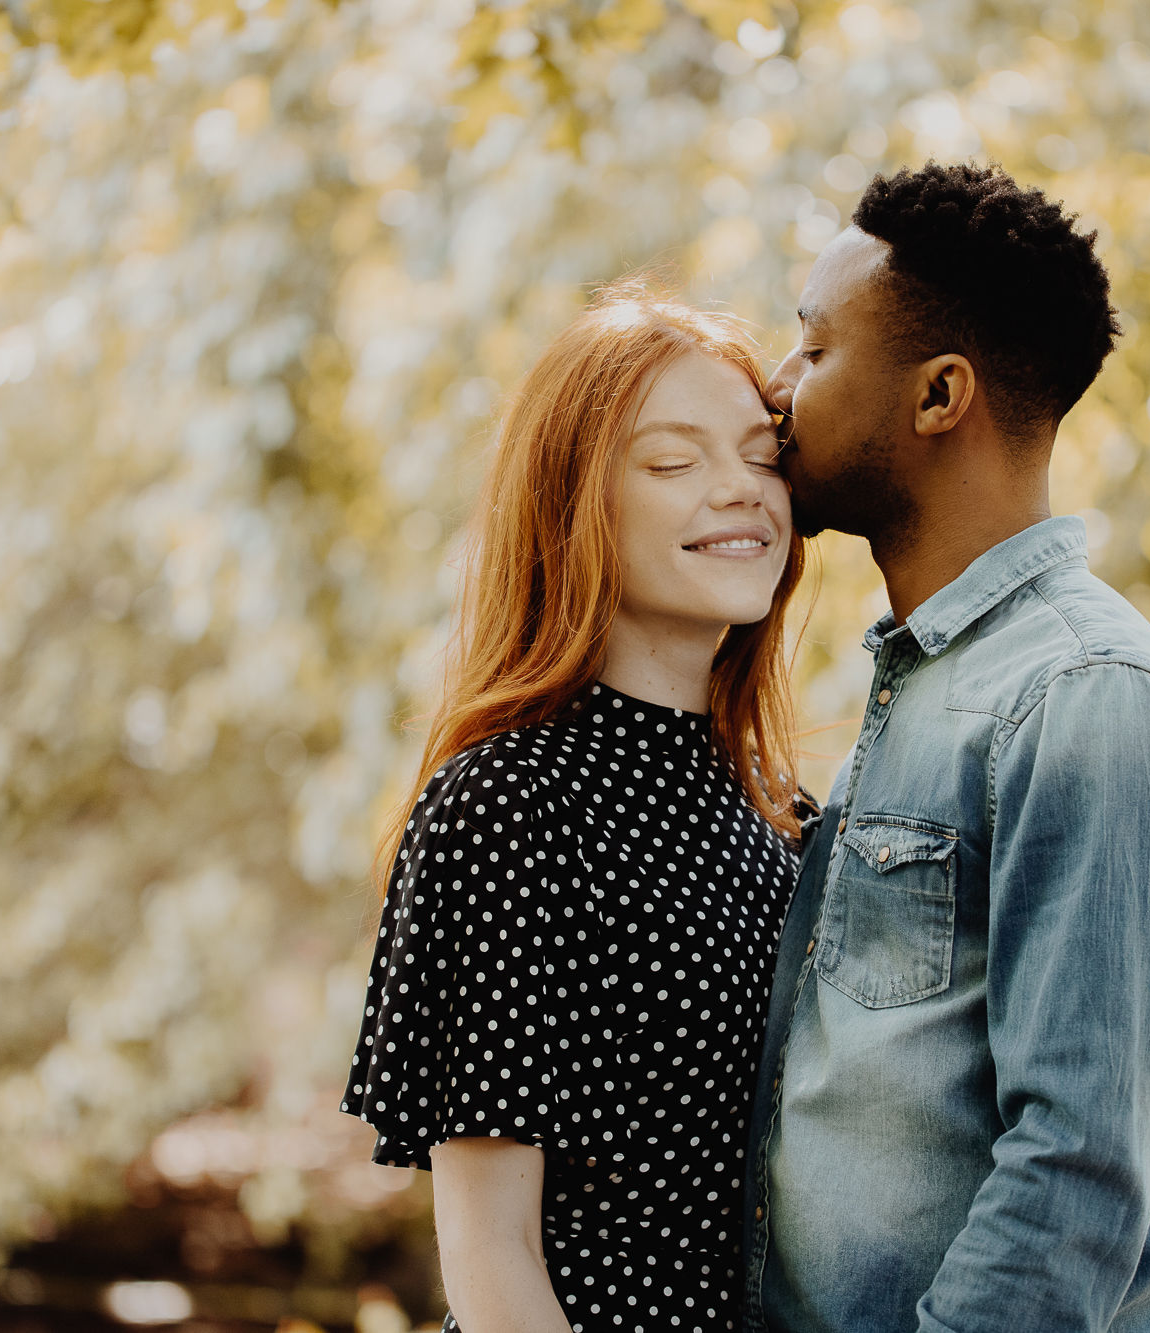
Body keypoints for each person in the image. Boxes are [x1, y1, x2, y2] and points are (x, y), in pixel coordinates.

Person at [743, 163, 1150, 1332]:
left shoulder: (1090, 700)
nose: (775, 387)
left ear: (937, 396)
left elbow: (1074, 1176)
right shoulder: (922, 682)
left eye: (813, 350)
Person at [341, 280, 811, 1333]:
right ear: (571, 507)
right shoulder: (508, 807)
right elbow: (487, 1248)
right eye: (672, 460)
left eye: (758, 453)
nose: (738, 488)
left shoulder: (782, 816)